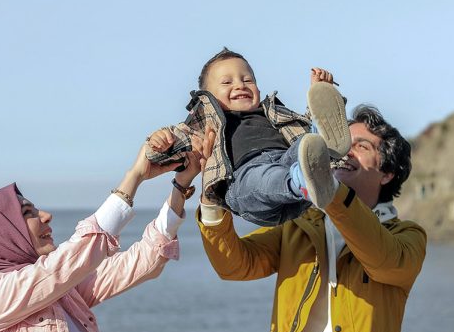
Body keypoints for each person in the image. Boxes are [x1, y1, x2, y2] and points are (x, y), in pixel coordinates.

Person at [196, 105, 427, 332]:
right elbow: (234, 265)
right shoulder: (298, 226)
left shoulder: (407, 237)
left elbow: (382, 260)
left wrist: (331, 192)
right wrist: (212, 200)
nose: (345, 150)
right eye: (340, 142)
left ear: (387, 172)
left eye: (361, 146)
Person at [0, 142, 202, 332]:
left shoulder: (59, 292)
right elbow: (76, 256)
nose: (45, 216)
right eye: (27, 213)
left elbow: (143, 261)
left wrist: (179, 187)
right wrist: (134, 176)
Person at [145, 47, 351, 227]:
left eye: (247, 80)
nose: (240, 85)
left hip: (287, 163)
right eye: (227, 82)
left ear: (258, 88)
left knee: (304, 144)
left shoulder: (274, 113)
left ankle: (321, 148)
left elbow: (301, 126)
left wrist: (320, 92)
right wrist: (159, 143)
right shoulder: (206, 123)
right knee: (263, 178)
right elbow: (174, 144)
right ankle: (304, 179)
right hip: (244, 180)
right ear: (207, 97)